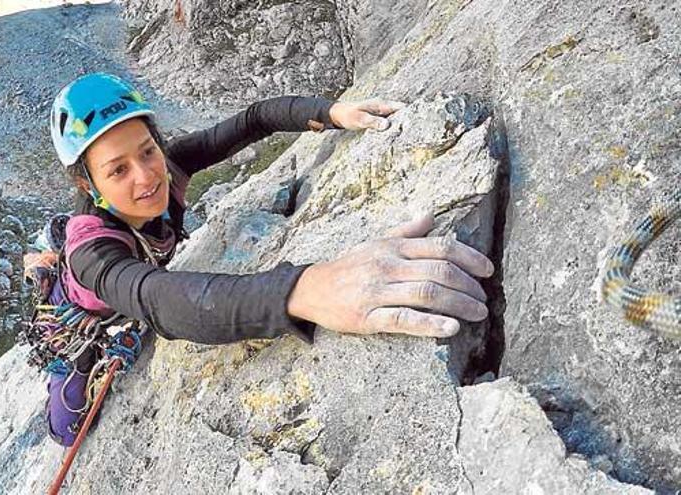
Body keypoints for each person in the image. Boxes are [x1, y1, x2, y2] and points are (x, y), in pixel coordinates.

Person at [43, 73, 494, 445]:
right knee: (68, 429)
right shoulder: (91, 251)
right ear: (89, 186)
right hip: (86, 309)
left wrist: (329, 113)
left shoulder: (171, 165)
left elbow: (254, 119)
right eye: (117, 170)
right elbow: (158, 299)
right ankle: (61, 330)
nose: (146, 177)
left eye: (147, 150)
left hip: (137, 278)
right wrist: (304, 290)